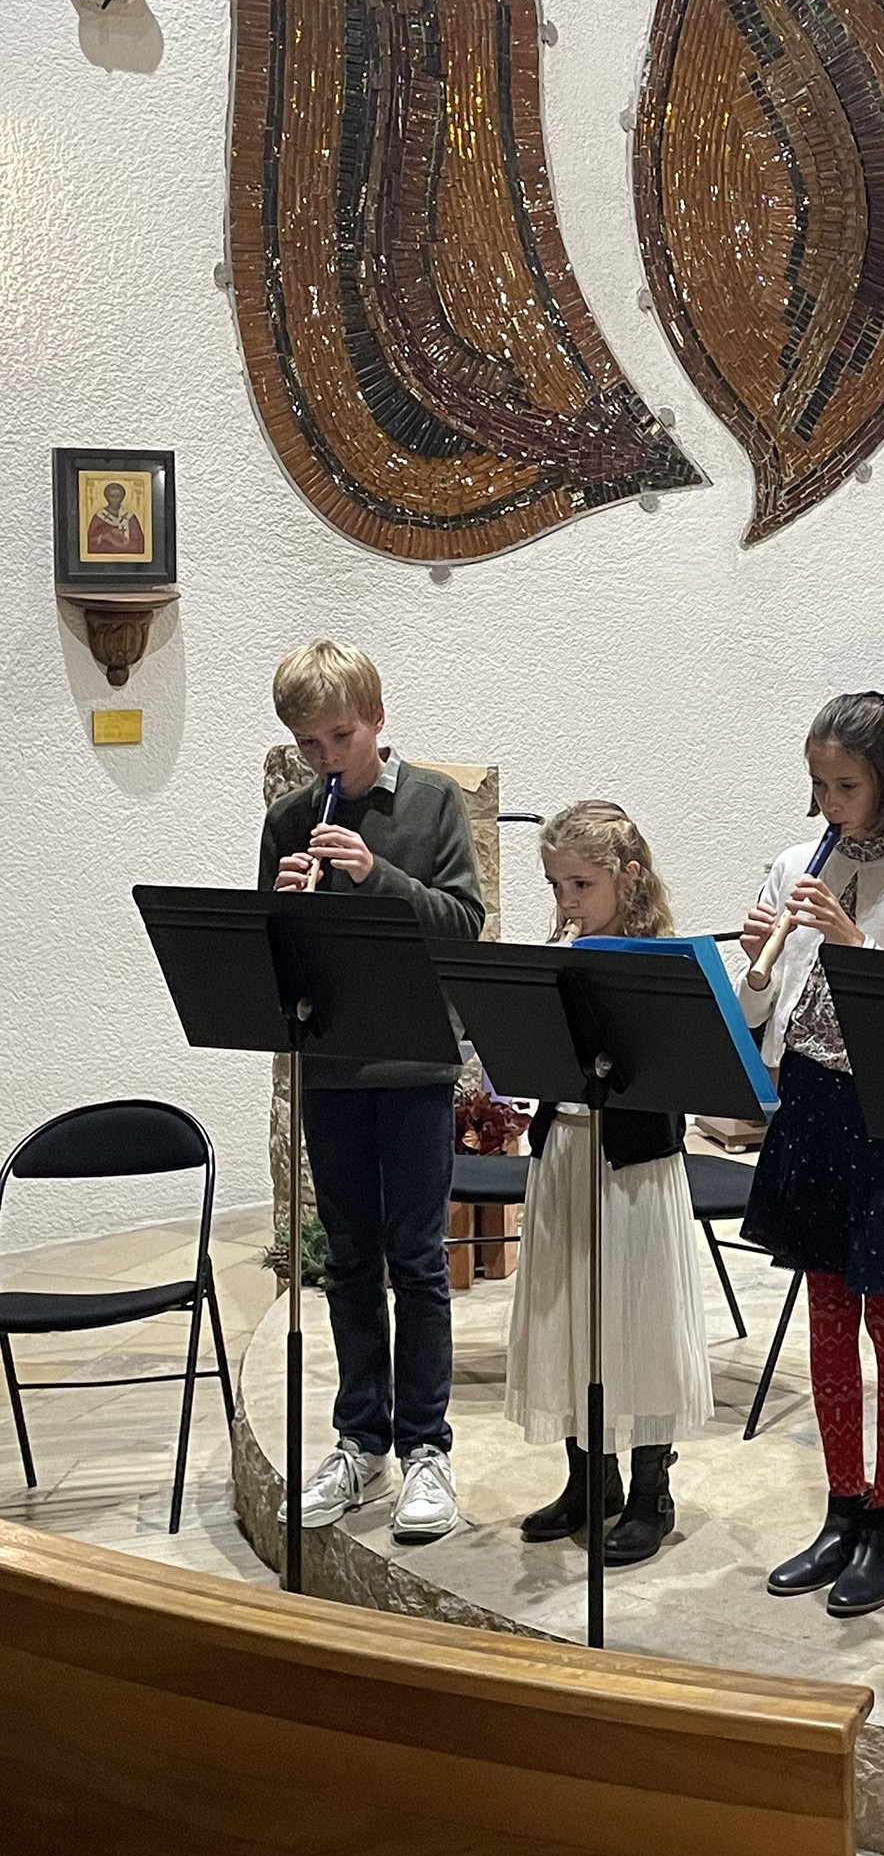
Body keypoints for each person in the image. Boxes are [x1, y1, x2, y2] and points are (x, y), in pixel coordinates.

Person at [738, 692, 884, 1616]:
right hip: (811, 1104)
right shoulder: (794, 863)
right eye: (821, 785)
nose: (831, 803)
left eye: (848, 786)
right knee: (826, 1320)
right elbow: (758, 1012)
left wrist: (852, 941)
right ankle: (841, 1508)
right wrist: (757, 959)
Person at [259, 640, 484, 1543]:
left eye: (340, 738)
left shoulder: (431, 802)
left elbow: (462, 925)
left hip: (416, 1061)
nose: (325, 759)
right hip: (333, 1062)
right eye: (307, 745)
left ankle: (427, 1446)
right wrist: (285, 907)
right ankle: (361, 1441)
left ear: (377, 719)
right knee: (347, 1258)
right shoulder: (288, 818)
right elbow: (270, 959)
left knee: (417, 1260)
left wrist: (373, 874)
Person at [505, 802, 713, 1566]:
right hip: (563, 1149)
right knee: (567, 1314)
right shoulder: (560, 955)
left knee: (639, 1319)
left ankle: (651, 1490)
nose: (566, 902)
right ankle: (589, 1480)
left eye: (581, 885)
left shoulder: (658, 966)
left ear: (627, 878)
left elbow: (680, 1069)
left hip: (633, 1164)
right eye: (555, 885)